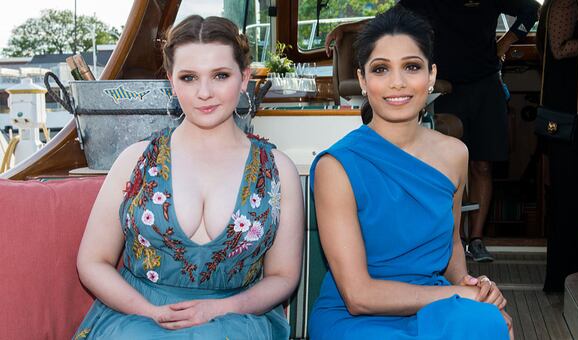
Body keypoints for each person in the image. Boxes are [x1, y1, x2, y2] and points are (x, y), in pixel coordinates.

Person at [73, 15, 304, 339]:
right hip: (135, 317)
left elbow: (283, 275)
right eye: (189, 77)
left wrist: (223, 309)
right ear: (171, 80)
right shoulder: (134, 161)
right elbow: (92, 261)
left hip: (236, 317)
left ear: (244, 78)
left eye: (220, 75)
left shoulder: (278, 171)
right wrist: (149, 311)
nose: (204, 92)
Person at [308, 6, 512, 339]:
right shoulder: (338, 166)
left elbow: (451, 248)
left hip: (434, 304)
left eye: (411, 67)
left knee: (490, 322)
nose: (397, 83)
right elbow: (358, 296)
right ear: (362, 79)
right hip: (357, 318)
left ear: (431, 75)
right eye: (380, 69)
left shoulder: (455, 154)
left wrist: (474, 286)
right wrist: (456, 294)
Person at [324, 0, 540, 262]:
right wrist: (346, 28)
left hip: (485, 83)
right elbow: (389, 18)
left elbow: (531, 10)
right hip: (445, 87)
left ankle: (477, 240)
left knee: (483, 166)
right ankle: (452, 239)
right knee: (443, 166)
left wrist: (504, 43)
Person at [536, 0, 578, 292]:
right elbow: (558, 49)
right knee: (572, 195)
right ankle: (565, 274)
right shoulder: (565, 3)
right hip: (572, 118)